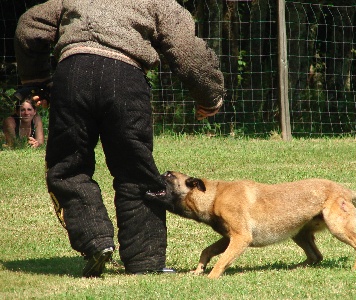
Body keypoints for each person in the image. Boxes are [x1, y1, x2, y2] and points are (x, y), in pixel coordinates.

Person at [14, 0, 225, 277]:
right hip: (125, 78)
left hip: (72, 75)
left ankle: (95, 242)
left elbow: (29, 25)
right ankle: (145, 262)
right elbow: (187, 50)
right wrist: (209, 95)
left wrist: (37, 81)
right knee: (136, 171)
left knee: (68, 168)